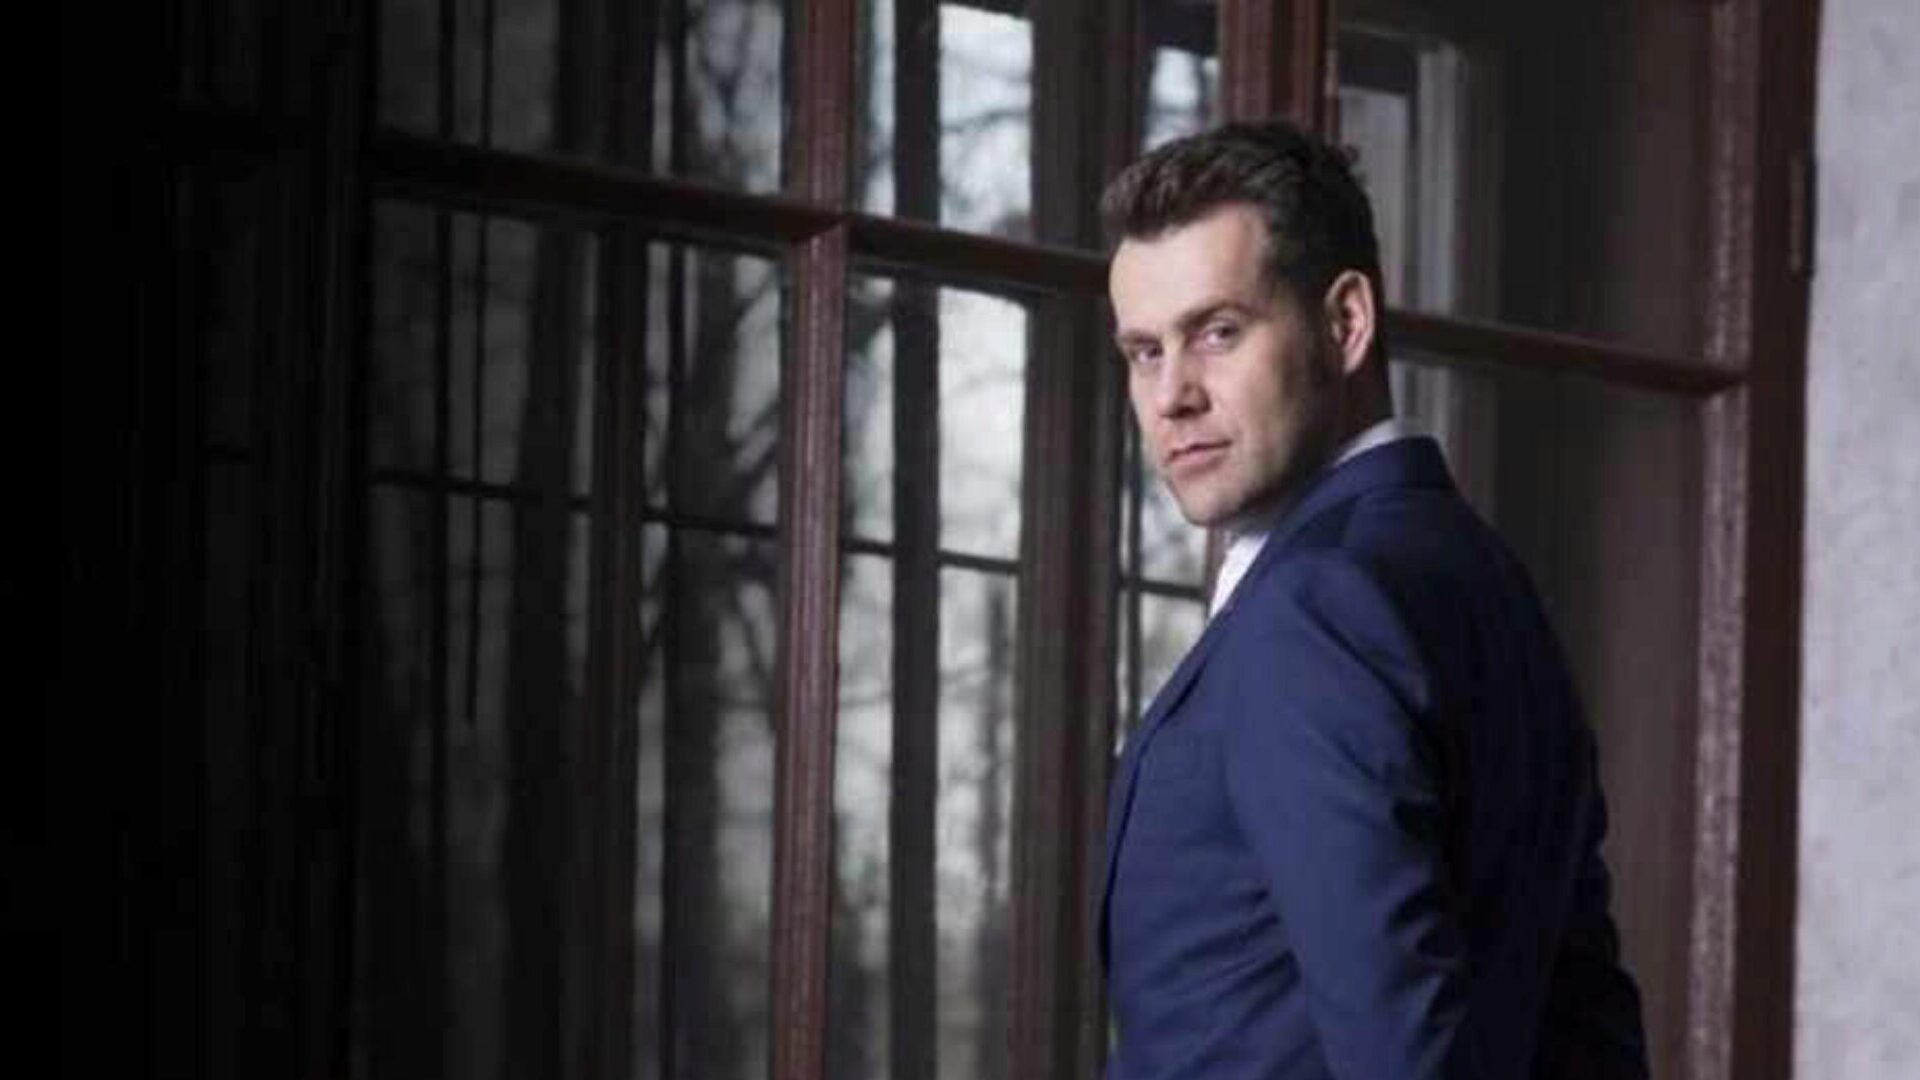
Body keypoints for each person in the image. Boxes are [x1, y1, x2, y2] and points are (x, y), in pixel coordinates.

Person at [1098, 121, 1648, 1079]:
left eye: (1217, 332)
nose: (1172, 395)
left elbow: (1405, 1049)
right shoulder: (1488, 580)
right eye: (1145, 352)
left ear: (1346, 324)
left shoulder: (1313, 608)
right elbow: (1590, 1034)